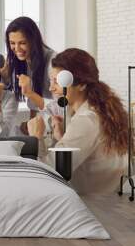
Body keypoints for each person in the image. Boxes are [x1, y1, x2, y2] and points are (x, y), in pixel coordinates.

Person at [27, 48, 128, 194]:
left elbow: (51, 174)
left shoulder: (86, 120)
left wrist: (36, 138)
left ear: (81, 84)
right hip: (107, 195)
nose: (51, 88)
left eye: (58, 81)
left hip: (89, 205)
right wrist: (62, 138)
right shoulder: (98, 110)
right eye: (51, 81)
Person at [4, 16, 56, 119]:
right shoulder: (23, 61)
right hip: (43, 124)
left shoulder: (53, 62)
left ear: (34, 40)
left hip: (58, 122)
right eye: (12, 43)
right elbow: (34, 104)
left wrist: (29, 93)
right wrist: (31, 123)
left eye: (22, 43)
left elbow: (62, 106)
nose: (17, 48)